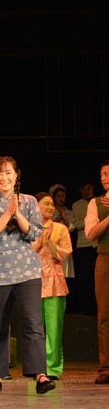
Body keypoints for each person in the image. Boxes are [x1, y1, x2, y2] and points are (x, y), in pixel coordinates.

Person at [0, 156, 55, 394]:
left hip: (27, 272)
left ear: (17, 175)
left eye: (8, 172)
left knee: (32, 323)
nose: (4, 177)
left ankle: (40, 375)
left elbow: (34, 234)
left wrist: (17, 213)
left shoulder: (29, 201)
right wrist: (7, 213)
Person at [33, 192, 72, 380]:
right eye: (46, 204)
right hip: (33, 282)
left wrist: (50, 243)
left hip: (54, 281)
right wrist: (40, 241)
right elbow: (25, 254)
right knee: (34, 329)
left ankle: (52, 369)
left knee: (54, 330)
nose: (51, 207)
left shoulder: (60, 228)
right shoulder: (28, 227)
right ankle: (36, 368)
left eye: (52, 204)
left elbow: (65, 253)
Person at [86, 160, 109, 384]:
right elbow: (91, 234)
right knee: (105, 315)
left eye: (107, 174)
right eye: (101, 175)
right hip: (105, 259)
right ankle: (106, 368)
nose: (103, 178)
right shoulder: (96, 203)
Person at [71, 180, 98, 315]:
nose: (87, 191)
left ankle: (96, 310)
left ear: (92, 188)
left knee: (97, 279)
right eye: (84, 189)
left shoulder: (99, 201)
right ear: (80, 191)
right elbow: (78, 224)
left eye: (89, 188)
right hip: (83, 246)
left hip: (97, 245)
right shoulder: (77, 205)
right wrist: (94, 220)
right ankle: (83, 310)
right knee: (84, 279)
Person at [50, 184, 76, 282]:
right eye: (58, 196)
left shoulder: (69, 212)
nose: (61, 198)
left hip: (64, 244)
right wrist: (59, 216)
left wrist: (64, 215)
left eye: (63, 196)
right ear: (54, 198)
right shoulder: (50, 211)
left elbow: (71, 228)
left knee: (64, 273)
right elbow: (48, 226)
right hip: (52, 243)